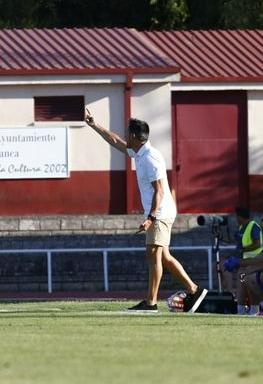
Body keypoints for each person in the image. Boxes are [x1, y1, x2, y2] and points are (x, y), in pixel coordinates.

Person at [85, 109, 208, 313]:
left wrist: (151, 217)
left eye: (127, 132)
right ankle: (194, 290)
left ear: (133, 136)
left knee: (153, 256)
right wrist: (95, 125)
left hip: (160, 213)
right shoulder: (139, 152)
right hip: (159, 213)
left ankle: (151, 303)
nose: (124, 135)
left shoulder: (150, 158)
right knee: (164, 257)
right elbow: (116, 141)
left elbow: (159, 191)